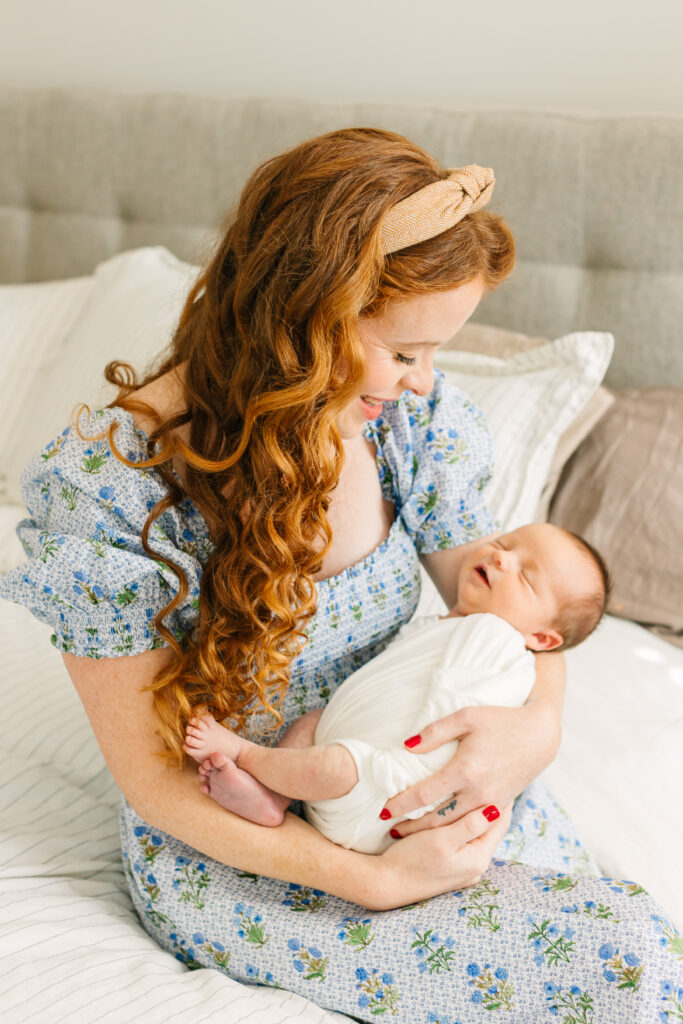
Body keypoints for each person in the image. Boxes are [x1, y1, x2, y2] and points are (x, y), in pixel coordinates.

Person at [1, 128, 680, 1022]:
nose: (421, 382)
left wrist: (535, 733)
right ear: (303, 311)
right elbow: (156, 785)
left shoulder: (409, 428)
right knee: (628, 966)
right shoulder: (114, 489)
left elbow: (509, 602)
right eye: (403, 352)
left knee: (637, 940)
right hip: (255, 847)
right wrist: (370, 881)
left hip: (403, 775)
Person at [183, 523, 611, 856]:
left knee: (337, 765)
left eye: (527, 576)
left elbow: (449, 715)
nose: (502, 560)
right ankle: (272, 797)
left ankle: (243, 754)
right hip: (355, 773)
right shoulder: (447, 625)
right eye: (505, 544)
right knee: (314, 724)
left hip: (385, 793)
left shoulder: (491, 636)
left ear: (543, 640)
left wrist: (398, 770)